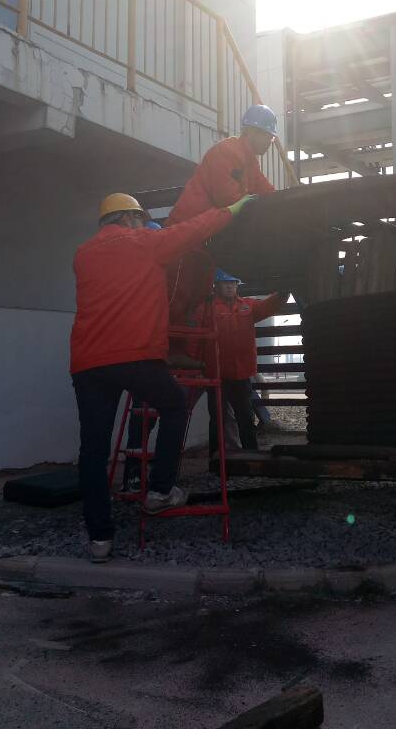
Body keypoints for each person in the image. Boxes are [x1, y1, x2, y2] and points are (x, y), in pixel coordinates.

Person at [70, 191, 252, 564]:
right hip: (134, 355)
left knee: (93, 451)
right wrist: (233, 207)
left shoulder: (82, 254)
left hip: (88, 362)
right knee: (174, 405)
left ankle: (100, 539)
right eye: (140, 219)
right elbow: (194, 228)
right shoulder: (145, 243)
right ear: (131, 218)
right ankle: (160, 490)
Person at [165, 103, 278, 337]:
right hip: (186, 237)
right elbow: (227, 198)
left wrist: (284, 206)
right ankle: (170, 346)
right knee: (177, 297)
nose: (270, 142)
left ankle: (181, 348)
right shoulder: (227, 153)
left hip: (205, 239)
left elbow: (267, 192)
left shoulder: (249, 162)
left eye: (272, 138)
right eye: (268, 136)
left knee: (195, 299)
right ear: (252, 132)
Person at [204, 269, 286, 457]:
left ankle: (251, 458)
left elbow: (268, 306)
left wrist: (283, 293)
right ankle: (216, 460)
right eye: (225, 283)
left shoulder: (248, 306)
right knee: (217, 420)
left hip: (241, 375)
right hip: (216, 375)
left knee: (246, 418)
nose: (230, 287)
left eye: (233, 283)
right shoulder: (206, 308)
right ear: (216, 286)